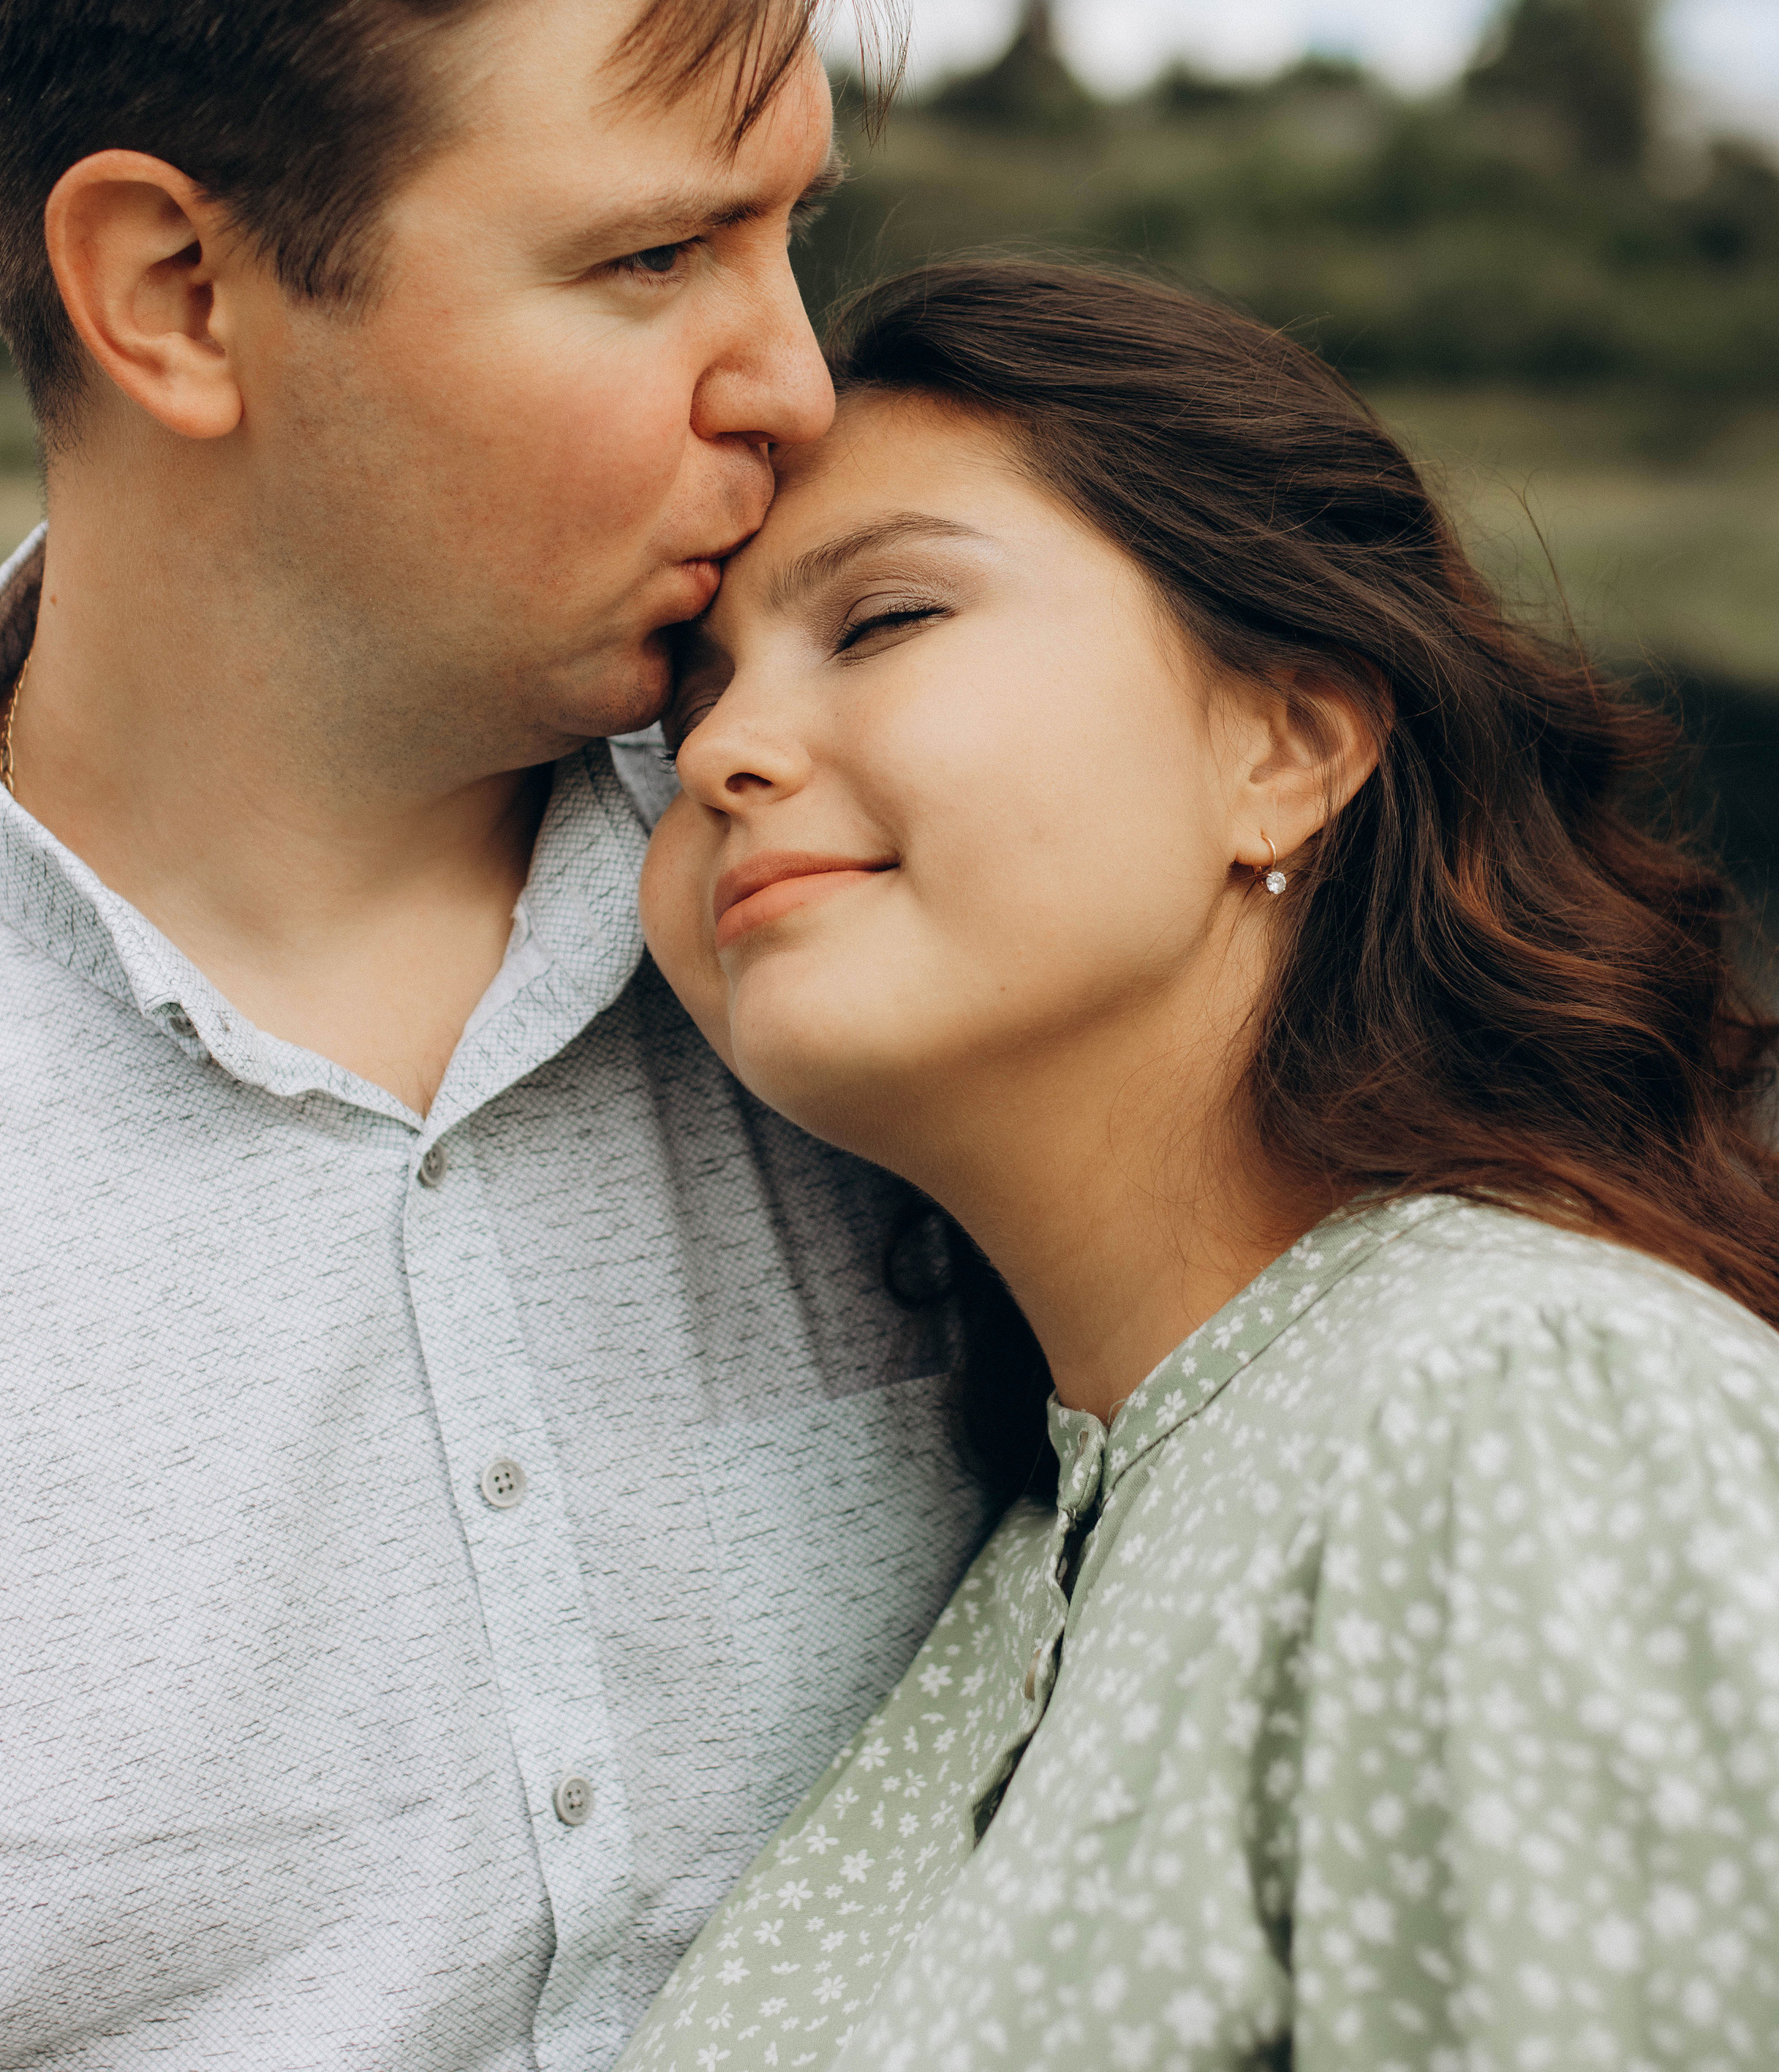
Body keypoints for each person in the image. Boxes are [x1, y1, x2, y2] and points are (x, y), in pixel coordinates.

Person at [0, 0, 996, 2071]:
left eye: (793, 232)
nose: (803, 387)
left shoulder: (924, 933)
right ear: (176, 290)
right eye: (658, 254)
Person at [627, 258, 1779, 2070]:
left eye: (881, 620)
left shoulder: (1520, 1407)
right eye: (682, 701)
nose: (721, 754)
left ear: (1283, 744)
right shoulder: (1047, 1545)